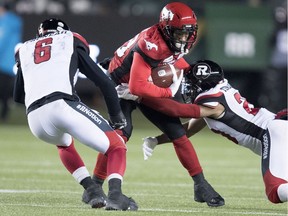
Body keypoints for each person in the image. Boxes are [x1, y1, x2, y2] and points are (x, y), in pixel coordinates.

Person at [83, 2, 225, 207]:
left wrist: (189, 70)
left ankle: (201, 185)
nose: (183, 38)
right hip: (121, 88)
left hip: (145, 83)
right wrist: (167, 91)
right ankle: (95, 187)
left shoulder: (169, 40)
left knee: (177, 132)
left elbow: (173, 60)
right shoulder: (153, 44)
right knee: (120, 136)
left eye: (187, 33)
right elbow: (137, 86)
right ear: (167, 29)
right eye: (179, 34)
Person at [13, 18, 138, 211]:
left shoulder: (24, 50)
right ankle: (116, 196)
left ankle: (91, 189)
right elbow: (104, 83)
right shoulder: (70, 39)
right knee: (117, 147)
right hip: (61, 104)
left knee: (63, 144)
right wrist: (116, 116)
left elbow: (18, 96)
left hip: (34, 119)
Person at [133, 60, 287, 204]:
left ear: (201, 85)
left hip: (273, 132)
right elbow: (187, 130)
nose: (186, 87)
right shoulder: (218, 95)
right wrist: (157, 140)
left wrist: (141, 94)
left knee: (276, 191)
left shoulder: (211, 103)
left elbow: (176, 110)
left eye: (190, 83)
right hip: (278, 129)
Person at [0, 1, 22, 122]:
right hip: (9, 62)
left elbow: (2, 42)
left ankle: (4, 115)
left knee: (3, 90)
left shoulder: (7, 22)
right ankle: (4, 115)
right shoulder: (14, 20)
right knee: (5, 90)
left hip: (4, 62)